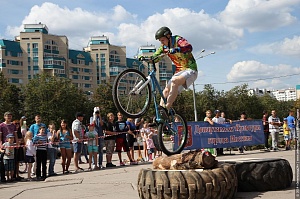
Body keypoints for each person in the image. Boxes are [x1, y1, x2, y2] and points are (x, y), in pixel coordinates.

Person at [145, 26, 198, 116]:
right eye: (160, 41)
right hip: (179, 71)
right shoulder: (164, 47)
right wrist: (146, 58)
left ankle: (167, 108)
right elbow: (155, 57)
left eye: (162, 40)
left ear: (168, 36)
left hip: (190, 70)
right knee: (166, 90)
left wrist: (177, 49)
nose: (162, 43)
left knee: (174, 81)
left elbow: (189, 47)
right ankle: (161, 116)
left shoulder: (178, 40)